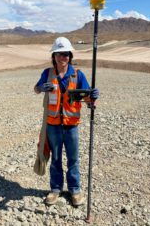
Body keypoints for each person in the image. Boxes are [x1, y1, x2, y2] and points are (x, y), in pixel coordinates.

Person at [34, 37, 99, 206]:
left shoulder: (78, 75)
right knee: (55, 159)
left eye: (66, 54)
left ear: (70, 56)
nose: (62, 57)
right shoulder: (47, 73)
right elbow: (36, 88)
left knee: (73, 159)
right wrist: (42, 88)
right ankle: (55, 189)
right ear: (53, 56)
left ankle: (74, 190)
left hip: (71, 126)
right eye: (59, 54)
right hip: (53, 126)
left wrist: (92, 96)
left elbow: (86, 96)